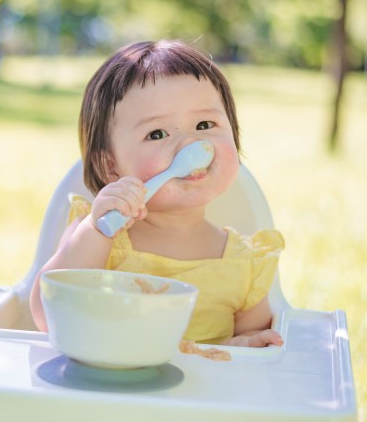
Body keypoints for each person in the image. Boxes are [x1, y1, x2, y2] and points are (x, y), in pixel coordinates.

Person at [30, 39, 285, 348]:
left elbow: (252, 344)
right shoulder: (101, 239)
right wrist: (95, 231)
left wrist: (244, 345)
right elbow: (47, 316)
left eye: (205, 124)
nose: (190, 145)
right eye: (157, 134)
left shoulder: (243, 264)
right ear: (110, 166)